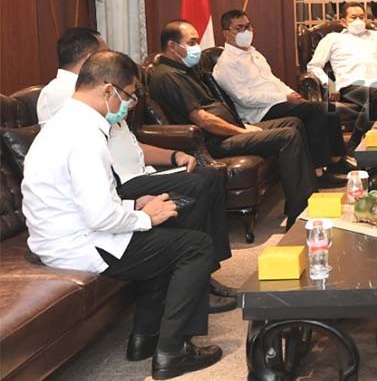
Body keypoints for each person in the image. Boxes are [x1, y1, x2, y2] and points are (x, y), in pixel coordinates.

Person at [22, 51, 223, 378]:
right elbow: (99, 217)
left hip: (69, 234)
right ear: (107, 90)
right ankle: (173, 352)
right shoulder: (83, 137)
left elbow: (88, 201)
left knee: (169, 237)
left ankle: (145, 338)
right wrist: (146, 217)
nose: (129, 105)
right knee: (195, 246)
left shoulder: (66, 123)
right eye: (128, 95)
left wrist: (134, 205)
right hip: (79, 245)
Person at [37, 27, 236, 311]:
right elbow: (89, 188)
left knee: (202, 180)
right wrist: (140, 215)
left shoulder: (100, 102)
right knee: (195, 188)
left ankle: (197, 275)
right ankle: (195, 280)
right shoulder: (68, 100)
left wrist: (172, 156)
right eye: (105, 53)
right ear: (92, 60)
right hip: (113, 186)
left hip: (125, 181)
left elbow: (130, 144)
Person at [147, 20, 317, 228]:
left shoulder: (185, 70)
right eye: (191, 42)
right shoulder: (167, 76)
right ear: (173, 46)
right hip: (213, 141)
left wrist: (242, 127)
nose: (197, 47)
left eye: (197, 41)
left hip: (229, 129)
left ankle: (301, 199)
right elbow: (202, 119)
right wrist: (240, 131)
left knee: (293, 122)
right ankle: (300, 214)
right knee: (288, 135)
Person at [212, 9, 349, 180]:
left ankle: (337, 160)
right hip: (258, 112)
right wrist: (284, 98)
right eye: (239, 28)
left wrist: (290, 93)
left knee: (329, 109)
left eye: (248, 26)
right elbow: (244, 98)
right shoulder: (226, 63)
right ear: (226, 33)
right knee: (317, 111)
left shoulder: (254, 53)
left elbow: (273, 80)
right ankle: (318, 171)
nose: (246, 32)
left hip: (277, 103)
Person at [307, 1, 377, 149]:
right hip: (349, 86)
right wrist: (330, 84)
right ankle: (354, 142)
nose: (359, 21)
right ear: (343, 21)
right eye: (353, 17)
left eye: (362, 17)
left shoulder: (376, 36)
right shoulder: (333, 39)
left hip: (376, 84)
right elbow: (313, 66)